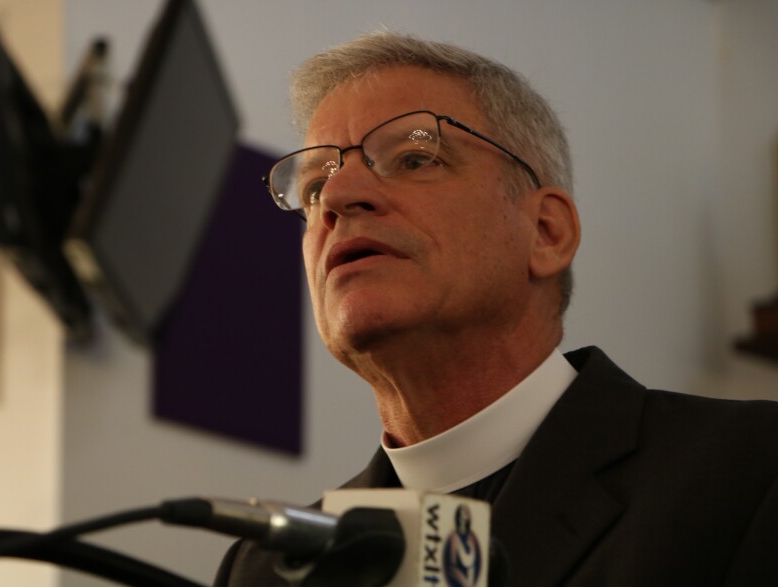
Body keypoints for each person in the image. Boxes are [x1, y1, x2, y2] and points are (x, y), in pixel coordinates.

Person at [215, 31, 778, 586]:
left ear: (546, 232)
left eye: (413, 158)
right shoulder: (264, 570)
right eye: (314, 189)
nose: (337, 199)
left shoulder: (749, 472)